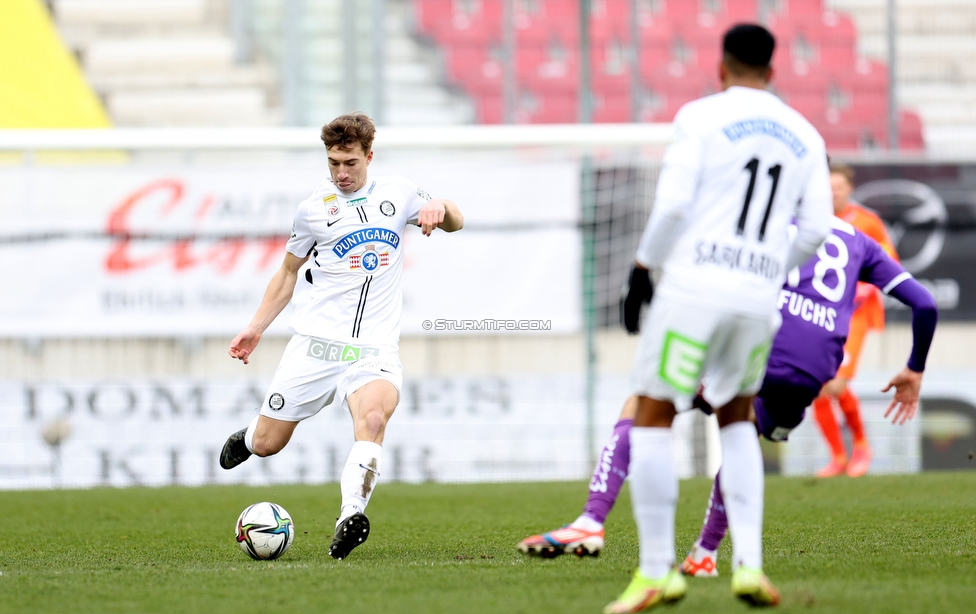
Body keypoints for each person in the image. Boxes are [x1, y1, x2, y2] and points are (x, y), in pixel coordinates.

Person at [516, 218, 938, 585]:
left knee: (644, 404)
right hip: (815, 369)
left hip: (762, 341)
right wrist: (914, 368)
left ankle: (592, 521)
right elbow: (925, 303)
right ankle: (705, 554)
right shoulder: (860, 241)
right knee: (744, 431)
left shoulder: (768, 219)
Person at [596, 24, 832, 614]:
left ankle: (655, 573)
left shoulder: (700, 117)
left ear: (720, 67)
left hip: (696, 290)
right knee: (736, 416)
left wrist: (643, 269)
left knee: (652, 415)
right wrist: (772, 271)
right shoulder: (806, 133)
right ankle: (748, 564)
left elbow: (674, 203)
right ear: (772, 72)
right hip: (756, 299)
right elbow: (817, 230)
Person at [218, 113, 464, 560]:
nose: (342, 173)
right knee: (270, 444)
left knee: (372, 420)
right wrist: (255, 328)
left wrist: (441, 208)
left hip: (374, 347)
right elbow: (288, 272)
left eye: (350, 162)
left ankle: (350, 515)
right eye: (333, 163)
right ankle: (249, 436)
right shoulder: (313, 209)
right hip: (315, 345)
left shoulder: (400, 193)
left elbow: (457, 220)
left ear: (369, 156)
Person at [813, 163, 900, 478]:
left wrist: (862, 288)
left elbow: (889, 261)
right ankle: (838, 456)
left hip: (856, 314)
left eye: (838, 187)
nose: (833, 193)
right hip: (822, 311)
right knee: (817, 385)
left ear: (849, 189)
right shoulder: (813, 220)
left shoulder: (867, 222)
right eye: (829, 187)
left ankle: (861, 446)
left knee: (834, 382)